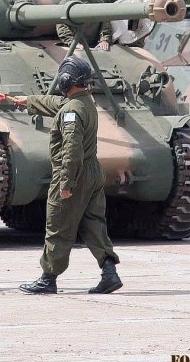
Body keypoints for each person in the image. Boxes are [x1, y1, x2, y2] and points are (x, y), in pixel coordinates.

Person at [7, 56, 122, 295]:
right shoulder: (85, 103)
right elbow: (56, 103)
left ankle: (48, 278)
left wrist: (67, 182)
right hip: (92, 172)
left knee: (58, 224)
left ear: (66, 80)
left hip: (73, 173)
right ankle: (109, 272)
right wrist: (28, 101)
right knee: (94, 223)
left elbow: (72, 148)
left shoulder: (71, 111)